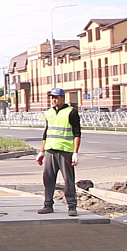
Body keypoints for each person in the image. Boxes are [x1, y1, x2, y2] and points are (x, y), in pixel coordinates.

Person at [36, 88, 81, 216]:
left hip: (65, 151)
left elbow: (77, 133)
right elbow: (46, 132)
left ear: (62, 98)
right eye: (52, 97)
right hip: (50, 150)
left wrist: (75, 152)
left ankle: (72, 206)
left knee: (68, 179)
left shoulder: (71, 112)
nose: (54, 100)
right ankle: (48, 204)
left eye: (56, 97)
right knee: (48, 179)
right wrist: (42, 151)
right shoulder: (49, 113)